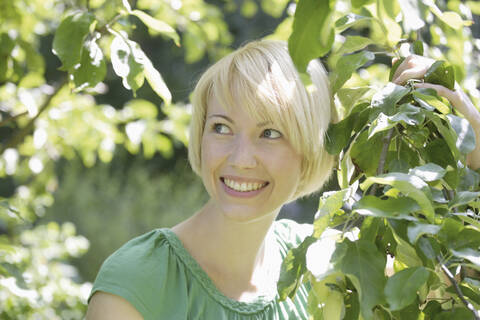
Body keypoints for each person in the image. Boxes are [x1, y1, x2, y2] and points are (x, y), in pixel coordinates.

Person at [85, 40, 480, 320]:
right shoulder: (139, 283)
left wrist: (468, 130)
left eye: (270, 133)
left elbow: (458, 287)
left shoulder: (320, 267)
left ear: (310, 147)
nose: (240, 159)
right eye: (221, 128)